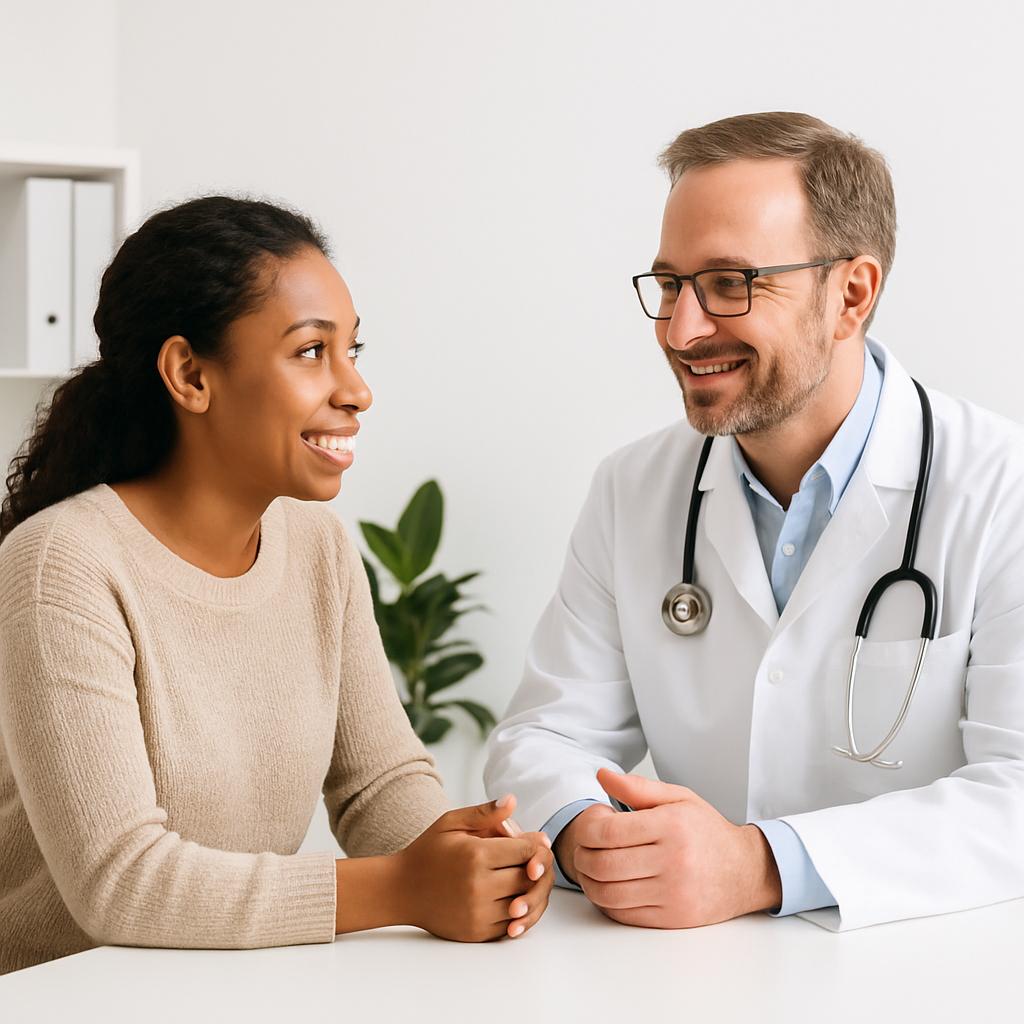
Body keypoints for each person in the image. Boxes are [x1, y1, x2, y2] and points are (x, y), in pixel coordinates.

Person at [484, 111, 1024, 931]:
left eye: (731, 283)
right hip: (688, 973)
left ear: (851, 295)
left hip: (927, 971)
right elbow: (543, 735)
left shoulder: (1000, 486)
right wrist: (584, 833)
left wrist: (760, 865)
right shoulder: (633, 489)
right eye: (671, 285)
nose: (682, 329)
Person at [0, 196, 552, 975]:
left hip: (229, 985)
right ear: (190, 374)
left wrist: (471, 858)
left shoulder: (319, 548)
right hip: (60, 997)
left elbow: (377, 783)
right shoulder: (63, 562)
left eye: (353, 349)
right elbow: (119, 883)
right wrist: (402, 888)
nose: (356, 390)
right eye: (311, 351)